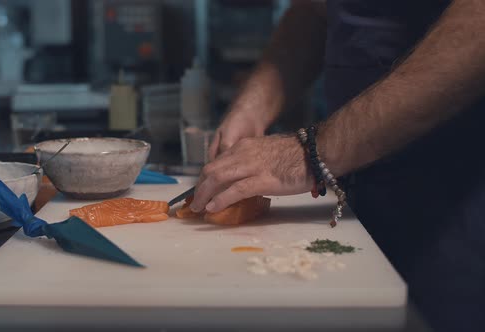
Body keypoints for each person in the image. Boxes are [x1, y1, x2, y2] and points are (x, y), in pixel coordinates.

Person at [189, 1, 485, 331]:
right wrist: (254, 106)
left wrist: (313, 150)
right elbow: (315, 10)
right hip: (351, 192)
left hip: (450, 203)